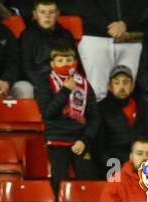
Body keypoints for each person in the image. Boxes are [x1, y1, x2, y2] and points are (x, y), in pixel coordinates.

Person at [38, 44, 103, 192]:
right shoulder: (44, 83)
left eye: (69, 60)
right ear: (52, 64)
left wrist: (84, 140)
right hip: (57, 141)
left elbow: (94, 117)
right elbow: (48, 113)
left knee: (88, 183)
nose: (65, 64)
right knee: (59, 185)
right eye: (60, 61)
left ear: (75, 62)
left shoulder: (85, 84)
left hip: (80, 142)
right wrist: (65, 90)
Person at [74, 0, 148, 102]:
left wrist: (125, 23)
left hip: (130, 35)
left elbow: (142, 3)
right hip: (95, 36)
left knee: (125, 90)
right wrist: (110, 26)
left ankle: (124, 118)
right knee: (97, 92)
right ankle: (97, 118)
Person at [97, 64, 148, 176]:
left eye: (125, 82)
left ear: (132, 86)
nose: (121, 87)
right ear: (109, 86)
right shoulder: (101, 108)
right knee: (116, 187)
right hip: (113, 161)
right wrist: (114, 166)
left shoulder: (143, 105)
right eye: (116, 83)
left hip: (140, 157)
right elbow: (100, 146)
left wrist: (146, 157)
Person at [20, 0, 80, 87]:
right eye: (42, 12)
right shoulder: (27, 35)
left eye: (51, 12)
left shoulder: (66, 34)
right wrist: (43, 84)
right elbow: (26, 66)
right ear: (35, 14)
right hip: (38, 80)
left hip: (64, 78)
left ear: (58, 13)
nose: (47, 16)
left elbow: (74, 60)